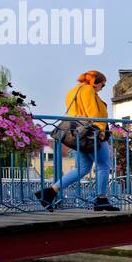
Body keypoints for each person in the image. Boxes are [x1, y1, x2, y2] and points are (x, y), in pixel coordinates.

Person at [35, 70, 118, 212]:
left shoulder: (73, 91)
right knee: (103, 166)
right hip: (91, 134)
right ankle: (101, 199)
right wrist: (99, 133)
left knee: (83, 168)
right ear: (95, 82)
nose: (102, 88)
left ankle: (50, 192)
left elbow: (74, 113)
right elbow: (93, 114)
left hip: (78, 135)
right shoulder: (88, 90)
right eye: (102, 85)